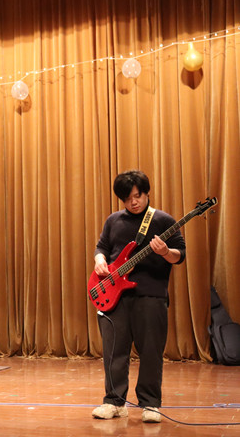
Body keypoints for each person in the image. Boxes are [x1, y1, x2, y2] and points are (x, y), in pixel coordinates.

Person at [91, 170, 186, 423]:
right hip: (114, 296)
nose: (133, 202)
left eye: (137, 196)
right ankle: (114, 402)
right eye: (127, 198)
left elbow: (180, 254)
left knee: (151, 352)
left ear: (146, 193)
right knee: (114, 352)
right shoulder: (113, 220)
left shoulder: (163, 220)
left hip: (151, 296)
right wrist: (99, 260)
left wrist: (165, 252)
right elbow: (102, 247)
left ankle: (150, 404)